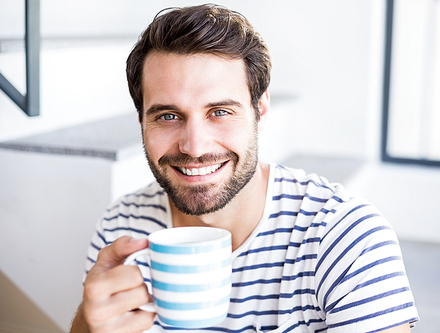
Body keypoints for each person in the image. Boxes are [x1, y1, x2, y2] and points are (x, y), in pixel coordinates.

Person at [70, 4, 419, 333]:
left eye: (220, 112)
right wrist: (87, 325)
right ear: (141, 122)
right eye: (168, 116)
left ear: (260, 110)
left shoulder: (345, 236)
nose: (194, 146)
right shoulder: (120, 228)